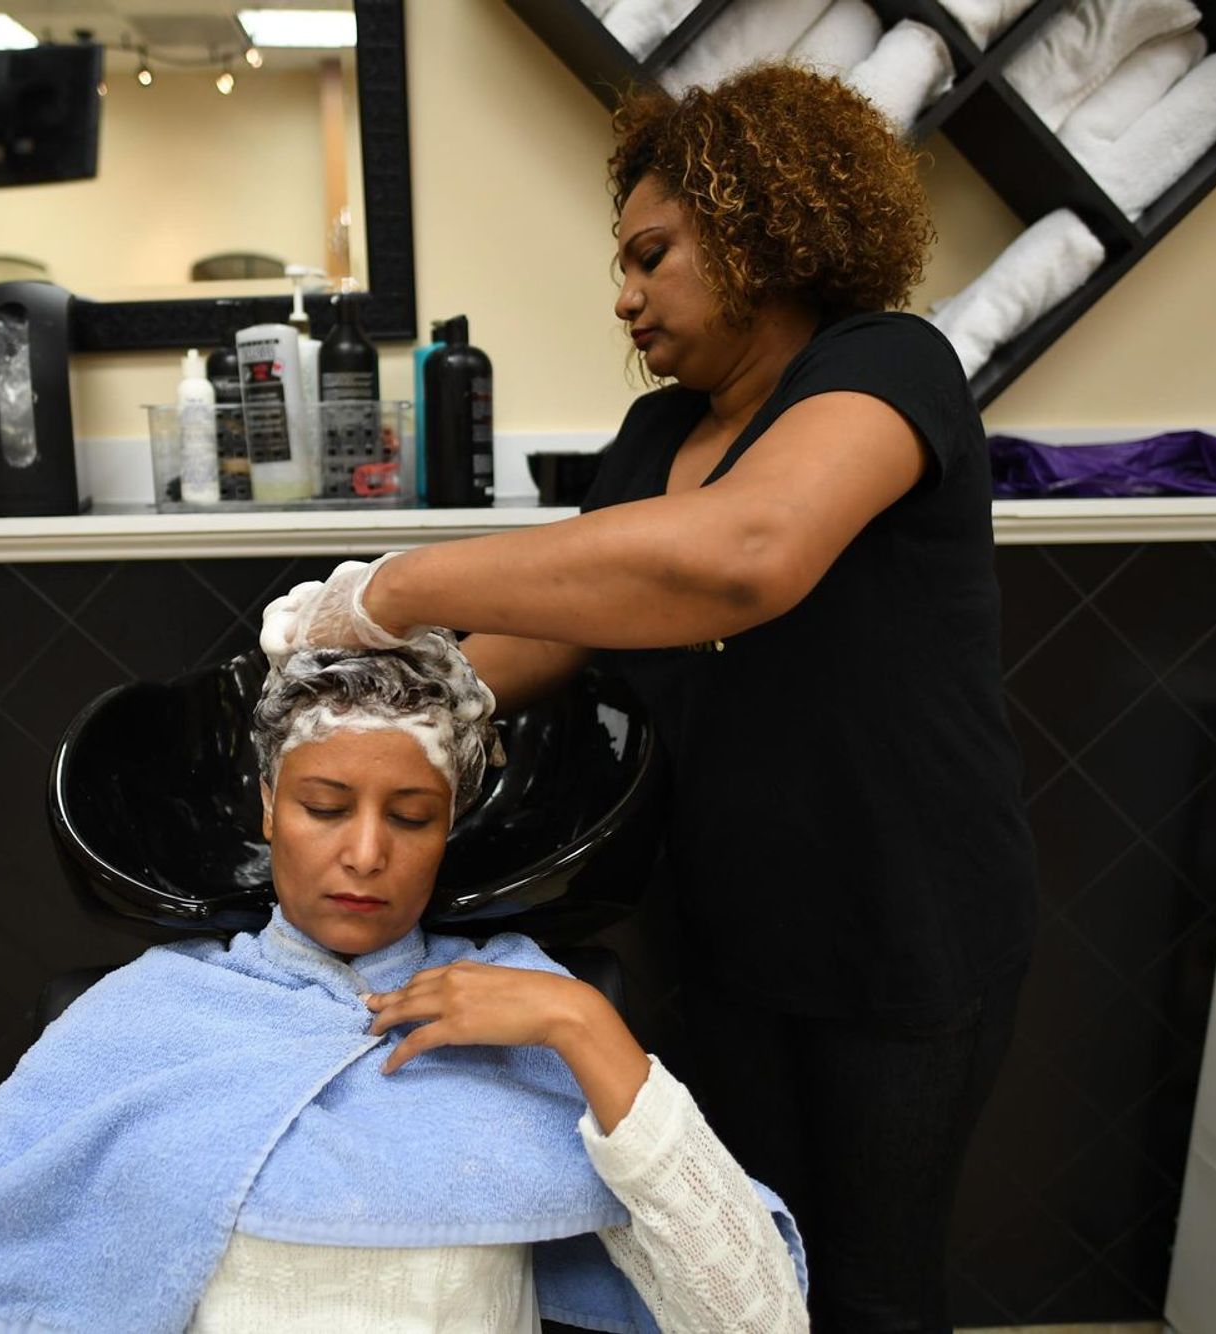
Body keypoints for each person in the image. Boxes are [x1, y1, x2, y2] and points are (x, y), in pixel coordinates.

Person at [261, 62, 1039, 1333]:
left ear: (756, 231)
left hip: (909, 924)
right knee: (745, 1252)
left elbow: (741, 556)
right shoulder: (651, 439)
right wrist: (360, 704)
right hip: (727, 924)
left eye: (651, 255)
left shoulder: (887, 366)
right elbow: (544, 634)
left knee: (871, 1288)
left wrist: (391, 587)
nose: (623, 296)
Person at [0, 632, 807, 1334]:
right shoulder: (141, 1023)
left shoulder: (527, 1007)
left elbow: (757, 1318)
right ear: (266, 806)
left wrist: (583, 1024)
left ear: (449, 828)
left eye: (410, 817)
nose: (365, 853)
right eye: (325, 806)